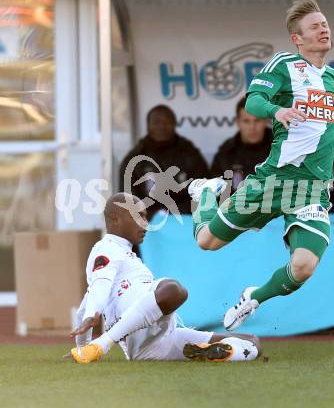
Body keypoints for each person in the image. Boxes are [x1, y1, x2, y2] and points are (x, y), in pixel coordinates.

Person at [186, 0, 334, 331]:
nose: (323, 30)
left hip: (312, 190)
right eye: (315, 27)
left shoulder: (333, 78)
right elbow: (253, 100)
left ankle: (254, 297)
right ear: (298, 38)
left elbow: (325, 125)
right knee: (207, 241)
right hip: (274, 181)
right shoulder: (284, 65)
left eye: (325, 25)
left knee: (305, 266)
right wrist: (276, 111)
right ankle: (206, 194)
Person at [67, 193, 261, 363]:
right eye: (138, 215)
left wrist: (82, 345)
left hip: (154, 343)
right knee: (174, 291)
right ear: (115, 219)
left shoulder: (127, 255)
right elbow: (100, 284)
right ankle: (103, 344)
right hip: (134, 326)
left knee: (252, 342)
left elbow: (88, 296)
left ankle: (219, 352)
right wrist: (93, 316)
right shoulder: (107, 247)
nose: (145, 222)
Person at [119, 105, 209, 219]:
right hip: (148, 224)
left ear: (174, 125)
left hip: (185, 221)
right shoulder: (134, 158)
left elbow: (203, 193)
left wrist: (174, 215)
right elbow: (129, 199)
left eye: (167, 122)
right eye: (156, 122)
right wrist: (153, 217)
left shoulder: (190, 154)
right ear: (148, 126)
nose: (161, 127)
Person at [211, 97, 272, 191]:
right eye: (246, 121)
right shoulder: (227, 152)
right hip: (236, 205)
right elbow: (215, 191)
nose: (252, 127)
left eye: (257, 121)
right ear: (238, 122)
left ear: (265, 121)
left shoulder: (281, 147)